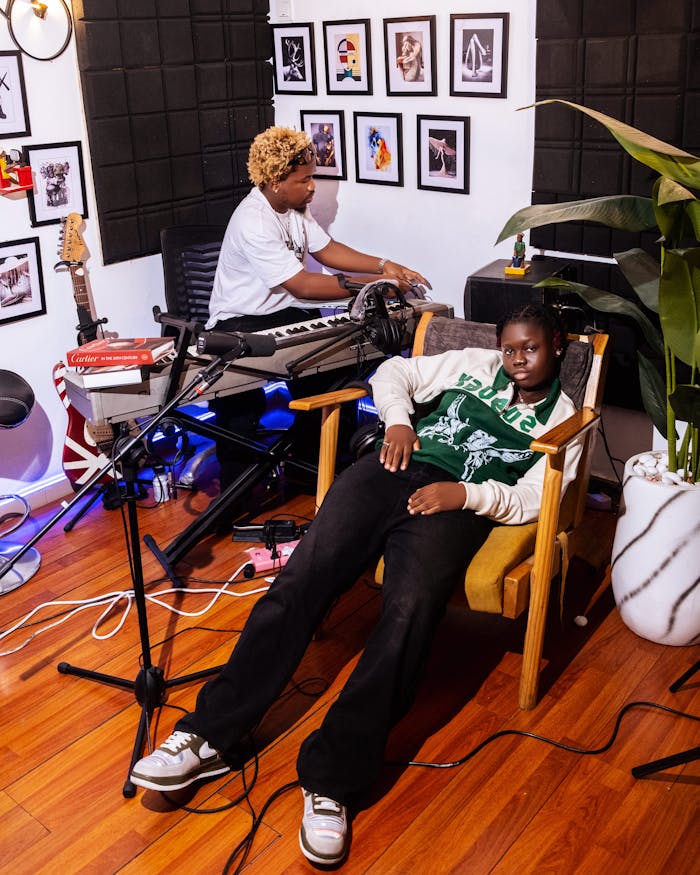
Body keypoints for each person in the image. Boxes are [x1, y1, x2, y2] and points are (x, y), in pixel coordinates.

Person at [131, 303, 582, 866]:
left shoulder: (565, 419)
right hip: (391, 468)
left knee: (410, 614)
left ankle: (333, 779)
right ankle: (209, 735)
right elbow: (394, 371)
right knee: (304, 576)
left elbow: (537, 496)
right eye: (510, 348)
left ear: (556, 345)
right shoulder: (474, 364)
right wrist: (399, 422)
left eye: (531, 349)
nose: (517, 360)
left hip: (454, 506)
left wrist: (465, 495)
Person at [204, 125, 427, 496]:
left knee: (335, 371)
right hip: (239, 321)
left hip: (284, 312)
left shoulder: (292, 208)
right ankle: (237, 496)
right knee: (240, 408)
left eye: (313, 177)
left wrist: (383, 265)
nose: (312, 187)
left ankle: (314, 469)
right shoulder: (253, 220)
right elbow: (303, 285)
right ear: (275, 181)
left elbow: (326, 250)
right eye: (304, 180)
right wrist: (373, 285)